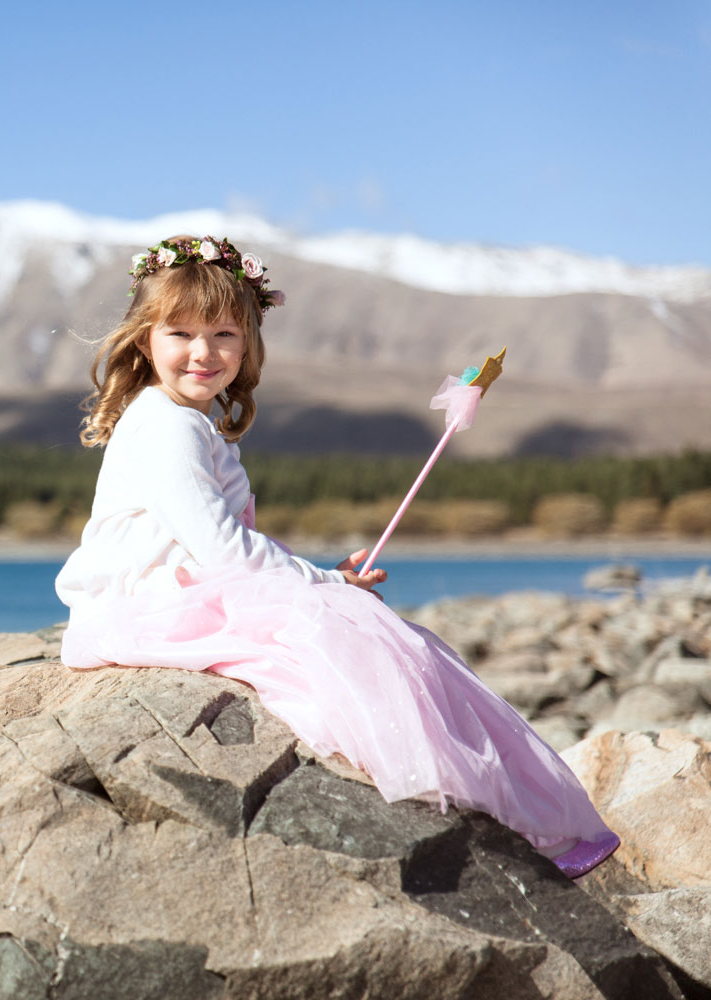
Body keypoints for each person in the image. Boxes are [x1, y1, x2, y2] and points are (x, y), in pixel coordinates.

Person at [54, 234, 619, 878]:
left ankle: (510, 817)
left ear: (248, 346)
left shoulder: (189, 419)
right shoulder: (166, 424)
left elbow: (224, 546)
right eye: (180, 333)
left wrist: (328, 578)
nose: (203, 352)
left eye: (224, 335)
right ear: (144, 339)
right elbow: (219, 546)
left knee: (372, 633)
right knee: (356, 643)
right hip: (150, 602)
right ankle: (512, 817)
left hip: (185, 588)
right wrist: (321, 583)